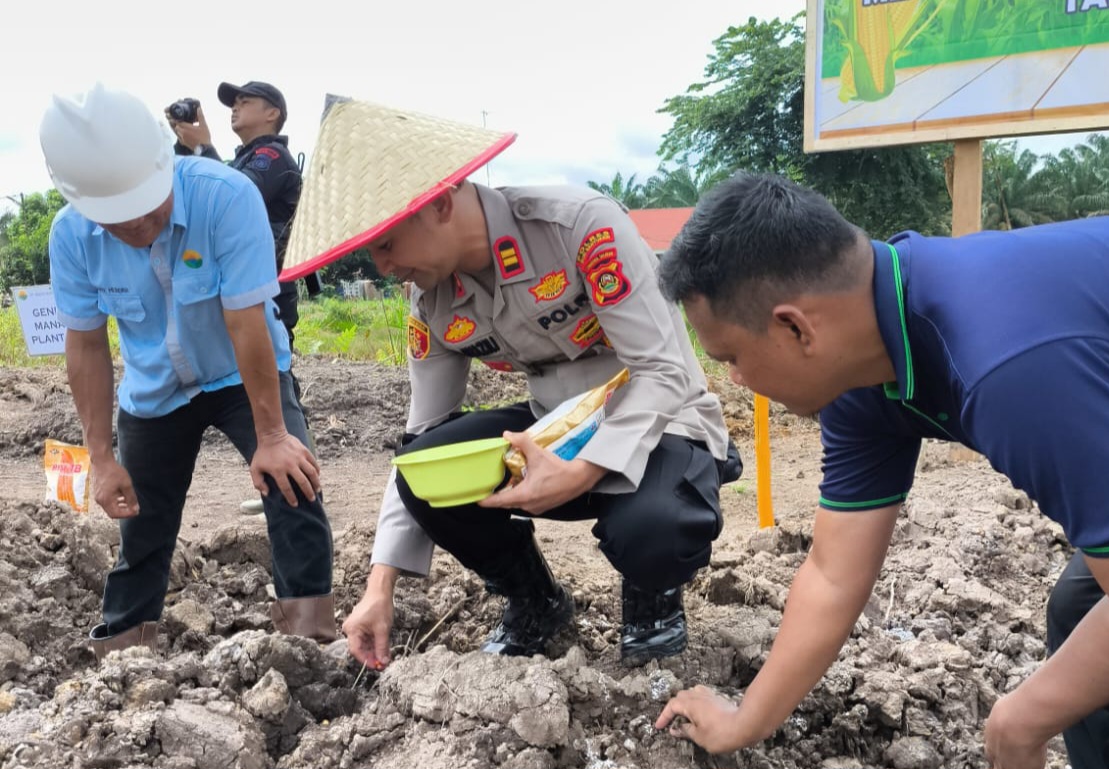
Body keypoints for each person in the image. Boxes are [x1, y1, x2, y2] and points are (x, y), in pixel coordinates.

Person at [653, 172, 1109, 769]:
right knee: (1082, 613)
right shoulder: (867, 366)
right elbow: (834, 573)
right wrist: (744, 719)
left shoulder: (1008, 362)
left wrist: (1018, 724)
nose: (734, 380)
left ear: (795, 327)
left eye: (730, 358)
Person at [275, 98, 740, 669]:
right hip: (555, 433)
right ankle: (535, 602)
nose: (382, 267)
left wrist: (585, 469)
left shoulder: (578, 228)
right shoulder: (433, 302)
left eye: (386, 243)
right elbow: (419, 443)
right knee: (425, 466)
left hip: (662, 426)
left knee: (654, 526)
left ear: (440, 201)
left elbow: (663, 371)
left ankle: (653, 597)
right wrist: (380, 587)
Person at [40, 82, 336, 661]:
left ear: (161, 166)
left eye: (148, 208)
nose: (139, 225)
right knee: (141, 524)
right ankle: (123, 658)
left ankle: (311, 649)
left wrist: (273, 436)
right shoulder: (71, 236)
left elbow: (247, 319)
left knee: (293, 488)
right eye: (119, 221)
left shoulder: (226, 196)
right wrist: (100, 458)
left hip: (240, 371)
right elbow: (86, 347)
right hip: (154, 390)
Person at [169, 81, 316, 515]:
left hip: (267, 292)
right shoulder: (244, 159)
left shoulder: (274, 159)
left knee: (274, 382)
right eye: (233, 103)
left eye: (245, 101)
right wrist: (185, 149)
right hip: (236, 293)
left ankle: (297, 476)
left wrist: (204, 151)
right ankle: (284, 473)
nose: (235, 107)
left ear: (273, 113)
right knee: (257, 384)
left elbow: (235, 196)